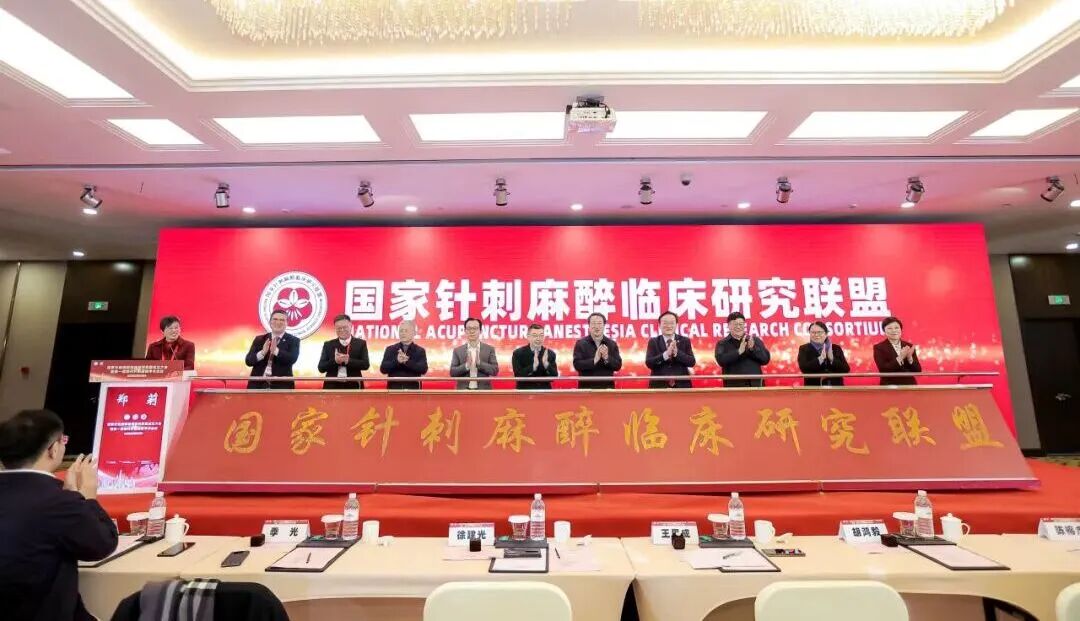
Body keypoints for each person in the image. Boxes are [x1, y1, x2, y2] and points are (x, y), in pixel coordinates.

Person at [0, 409, 118, 621]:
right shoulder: (57, 501)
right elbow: (102, 543)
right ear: (53, 450)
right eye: (63, 440)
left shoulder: (57, 499)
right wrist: (88, 499)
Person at [244, 309, 300, 389]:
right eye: (275, 319)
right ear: (270, 322)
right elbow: (248, 361)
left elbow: (292, 359)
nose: (278, 322)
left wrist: (276, 351)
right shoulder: (260, 339)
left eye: (282, 320)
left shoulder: (293, 340)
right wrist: (262, 353)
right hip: (257, 386)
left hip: (282, 386)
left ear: (287, 323)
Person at [714, 312, 771, 387]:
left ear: (744, 325)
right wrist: (738, 352)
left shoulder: (755, 340)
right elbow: (721, 361)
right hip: (734, 386)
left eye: (741, 324)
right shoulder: (722, 343)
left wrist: (753, 349)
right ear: (729, 326)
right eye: (735, 324)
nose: (738, 327)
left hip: (756, 385)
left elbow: (765, 359)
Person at [317, 314, 370, 389]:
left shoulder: (361, 344)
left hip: (354, 386)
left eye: (344, 327)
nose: (342, 330)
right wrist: (335, 361)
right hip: (332, 387)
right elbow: (321, 368)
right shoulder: (328, 345)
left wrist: (349, 361)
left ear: (350, 326)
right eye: (339, 328)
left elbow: (366, 365)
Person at [644, 311, 696, 388]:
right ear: (659, 325)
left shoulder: (684, 340)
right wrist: (665, 355)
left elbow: (691, 362)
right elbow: (649, 363)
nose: (668, 326)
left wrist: (677, 353)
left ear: (676, 324)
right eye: (665, 323)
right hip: (659, 386)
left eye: (672, 323)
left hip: (682, 386)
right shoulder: (653, 341)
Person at [572, 312, 623, 389]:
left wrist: (606, 358)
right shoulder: (581, 343)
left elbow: (618, 366)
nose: (596, 326)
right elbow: (577, 365)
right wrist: (594, 360)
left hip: (607, 388)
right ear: (589, 326)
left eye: (599, 323)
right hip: (586, 388)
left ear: (604, 326)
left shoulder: (611, 344)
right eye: (593, 323)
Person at [449, 317, 499, 390]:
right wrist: (466, 366)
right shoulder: (458, 350)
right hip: (463, 391)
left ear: (480, 331)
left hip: (483, 391)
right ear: (465, 331)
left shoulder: (489, 349)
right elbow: (452, 372)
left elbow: (495, 371)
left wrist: (480, 364)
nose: (472, 331)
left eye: (475, 328)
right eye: (469, 328)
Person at [798, 321, 850, 386]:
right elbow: (804, 369)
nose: (816, 335)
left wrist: (832, 359)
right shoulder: (804, 349)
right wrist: (820, 359)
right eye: (813, 332)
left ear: (826, 333)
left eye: (819, 332)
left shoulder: (836, 348)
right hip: (814, 388)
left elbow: (846, 369)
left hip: (836, 388)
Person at [379, 320, 429, 389]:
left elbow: (423, 370)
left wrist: (407, 362)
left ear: (414, 333)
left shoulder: (420, 351)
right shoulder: (390, 349)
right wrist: (397, 361)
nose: (403, 333)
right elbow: (383, 369)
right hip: (394, 390)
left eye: (406, 331)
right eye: (401, 331)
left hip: (413, 390)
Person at [873, 316, 922, 385]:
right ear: (884, 331)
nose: (894, 330)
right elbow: (883, 370)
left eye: (896, 328)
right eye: (890, 328)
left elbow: (918, 371)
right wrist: (900, 357)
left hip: (909, 385)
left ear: (901, 329)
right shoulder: (879, 348)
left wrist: (909, 358)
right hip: (889, 386)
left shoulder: (909, 346)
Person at [511, 323, 558, 389]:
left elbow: (554, 376)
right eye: (535, 336)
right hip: (525, 392)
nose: (538, 339)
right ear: (528, 337)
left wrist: (547, 365)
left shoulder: (550, 354)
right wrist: (532, 367)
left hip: (544, 392)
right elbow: (518, 376)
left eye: (541, 335)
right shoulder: (518, 353)